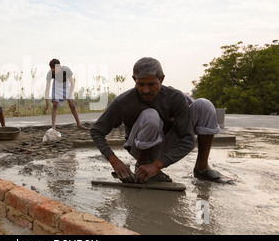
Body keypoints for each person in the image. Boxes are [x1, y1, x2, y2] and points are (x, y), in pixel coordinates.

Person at [90, 57, 222, 183]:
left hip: (168, 145)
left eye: (151, 84)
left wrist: (157, 166)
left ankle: (202, 168)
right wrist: (115, 162)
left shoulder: (175, 98)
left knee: (204, 105)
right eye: (140, 84)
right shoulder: (124, 101)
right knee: (150, 115)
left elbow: (188, 141)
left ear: (162, 79)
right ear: (134, 79)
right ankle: (142, 165)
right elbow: (96, 131)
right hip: (139, 147)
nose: (145, 90)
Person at [43, 59, 87, 130]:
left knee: (72, 105)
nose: (54, 71)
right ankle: (53, 127)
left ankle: (79, 124)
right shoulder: (50, 73)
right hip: (56, 86)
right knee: (55, 104)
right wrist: (47, 103)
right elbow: (47, 89)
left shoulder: (66, 70)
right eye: (53, 70)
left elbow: (72, 84)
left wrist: (69, 96)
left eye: (55, 69)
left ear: (59, 66)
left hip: (66, 86)